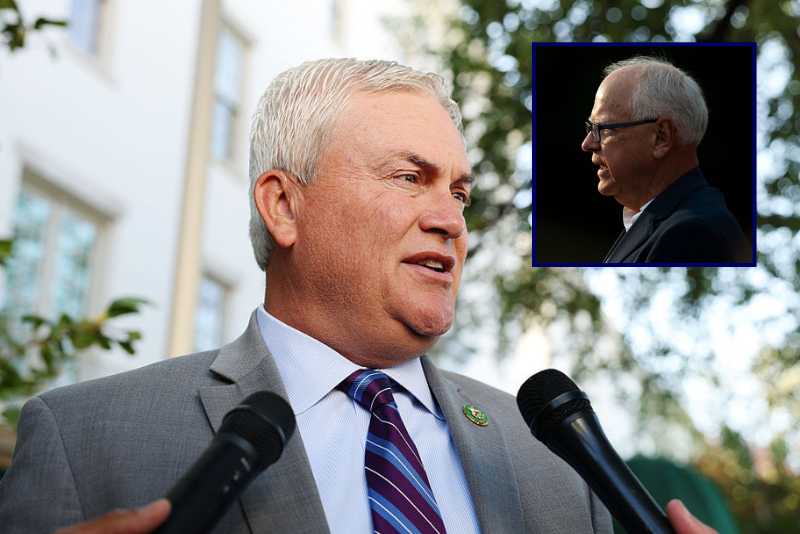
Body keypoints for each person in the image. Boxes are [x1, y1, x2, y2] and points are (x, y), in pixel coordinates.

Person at [0, 58, 716, 534]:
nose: (452, 220)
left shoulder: (560, 461)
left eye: (459, 192)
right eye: (410, 177)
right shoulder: (83, 442)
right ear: (284, 206)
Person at [581, 56, 751, 264]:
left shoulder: (691, 232)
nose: (587, 143)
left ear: (661, 137)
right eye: (591, 128)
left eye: (603, 128)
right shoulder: (662, 221)